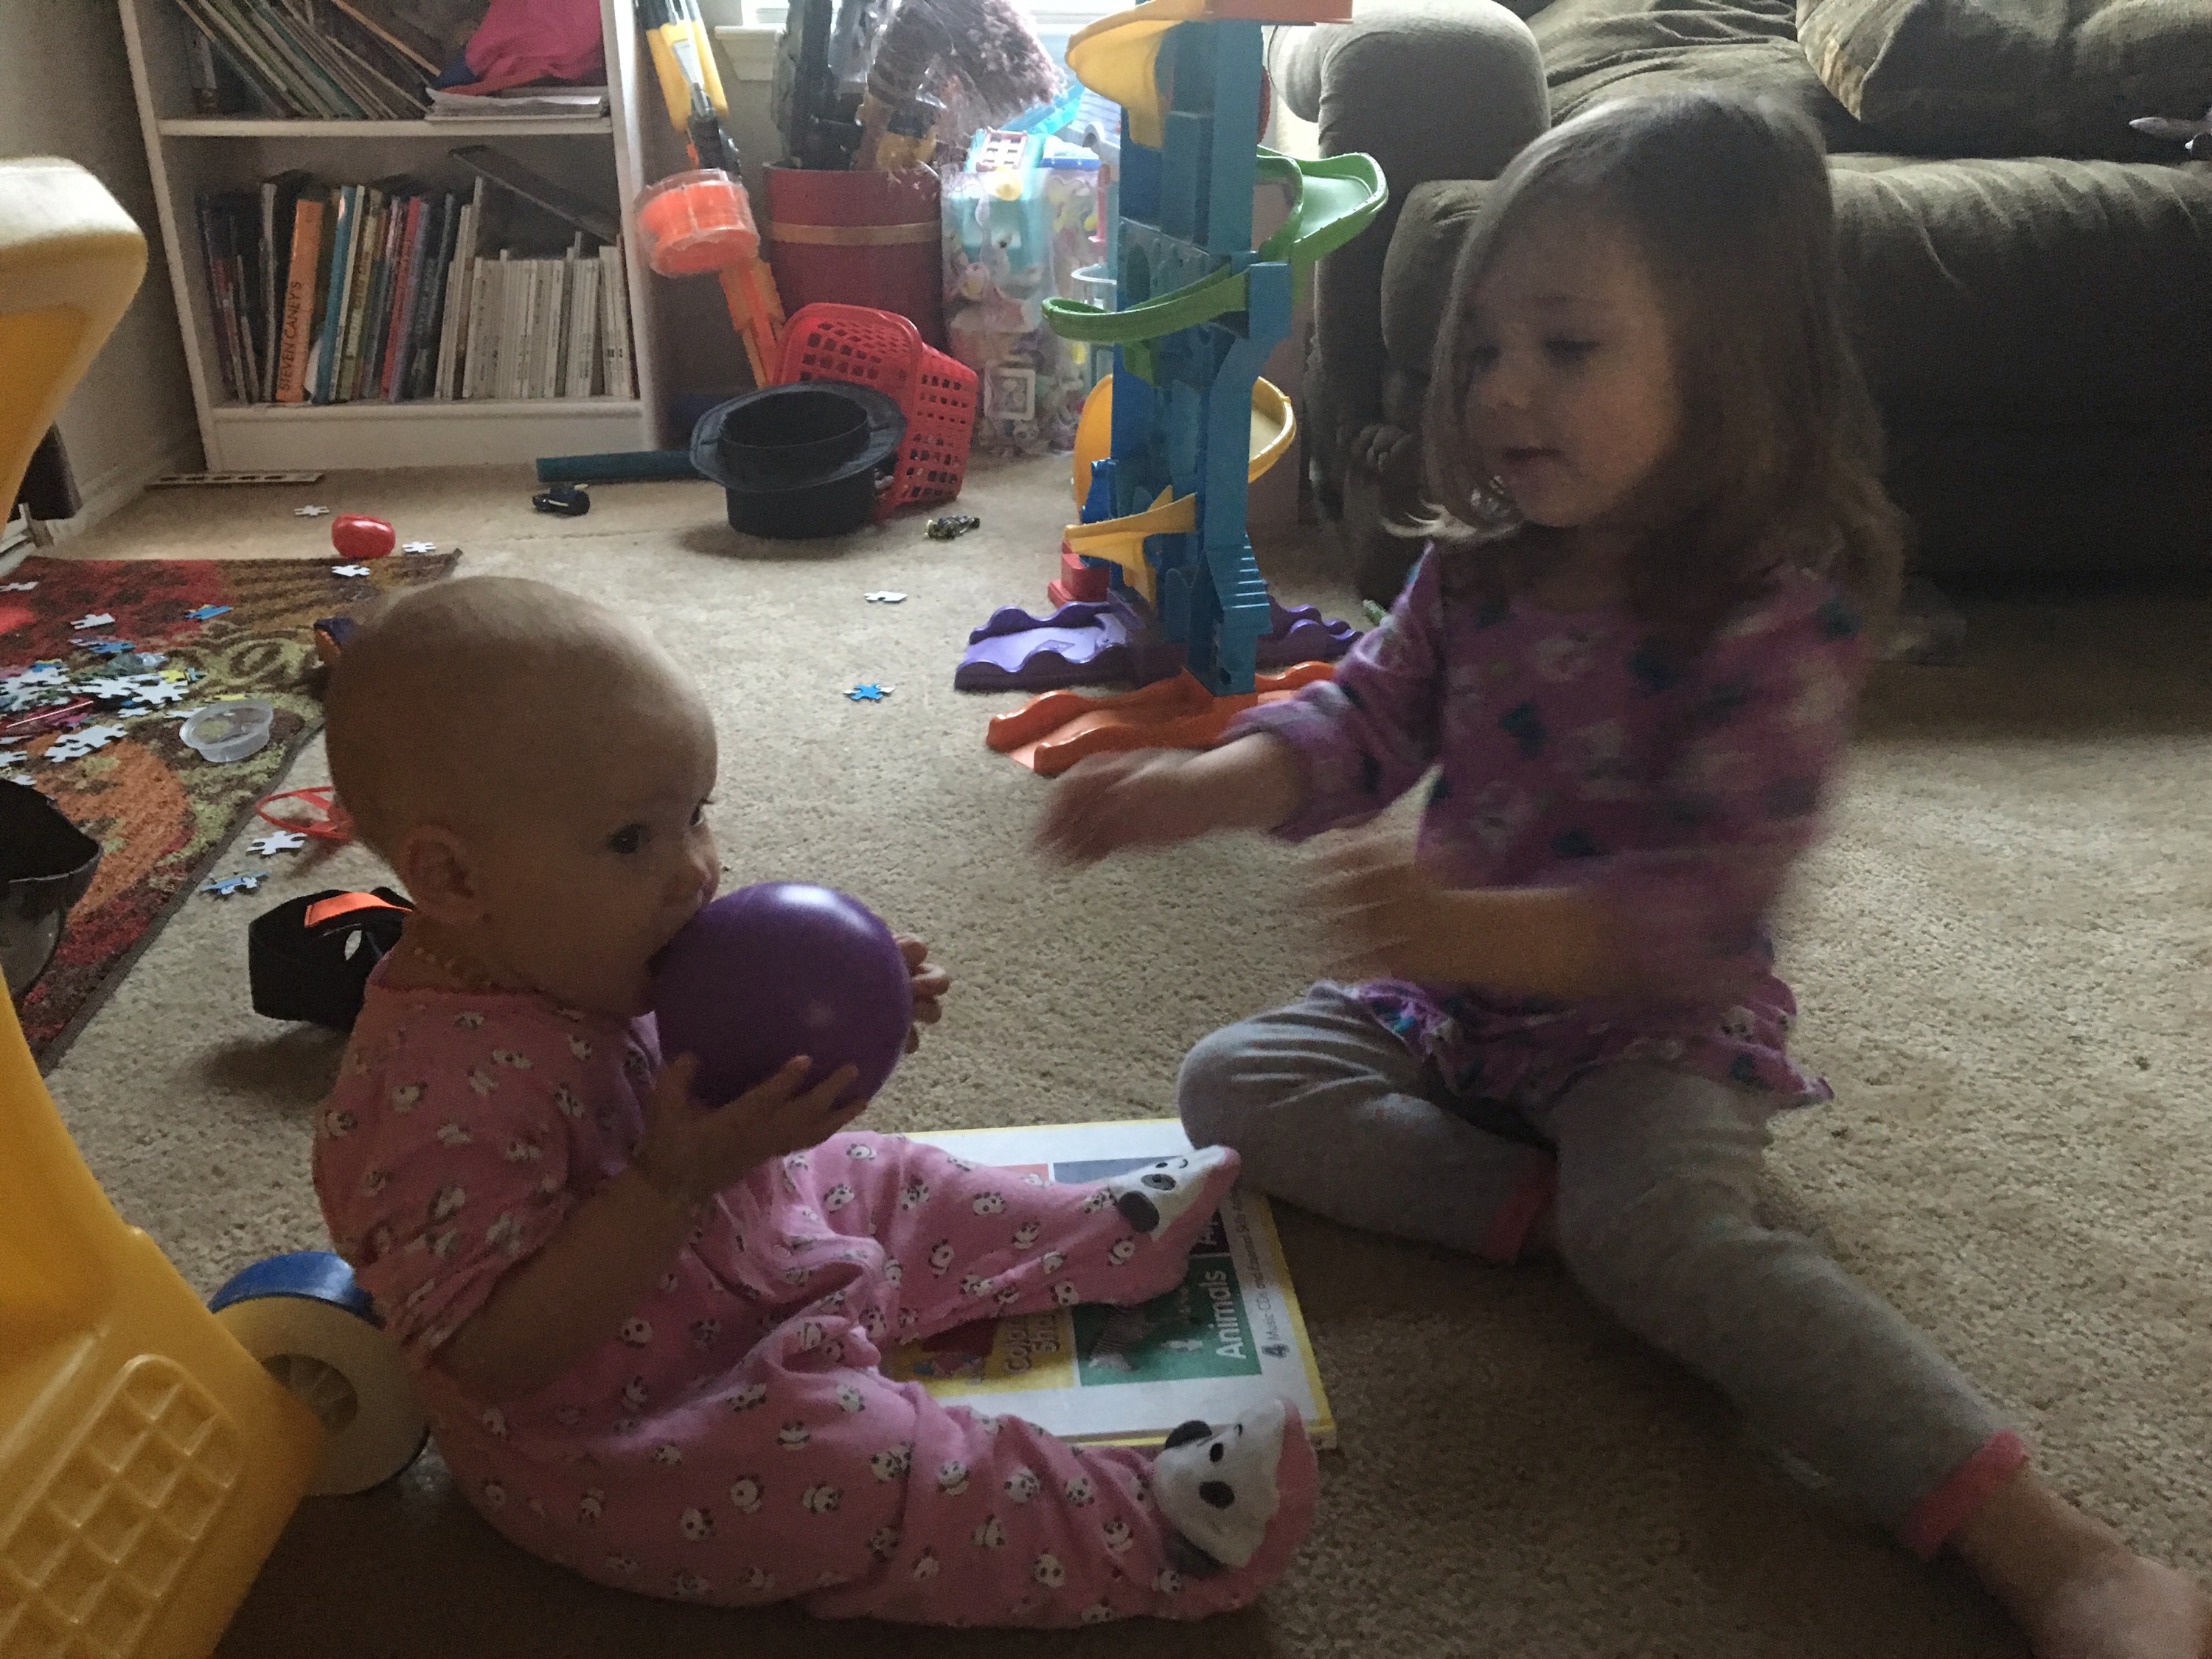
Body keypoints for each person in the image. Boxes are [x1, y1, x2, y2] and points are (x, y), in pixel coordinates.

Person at [1038, 91, 2211, 1659]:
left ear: (1730, 368)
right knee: (1230, 1082)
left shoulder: (1773, 625)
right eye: (1482, 350)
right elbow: (1363, 718)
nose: (1504, 389)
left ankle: (2050, 1545)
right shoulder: (1473, 571)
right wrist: (1194, 787)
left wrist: (1457, 921)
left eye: (1570, 347)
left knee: (1675, 1233)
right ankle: (1548, 1216)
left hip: (1651, 1036)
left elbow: (1696, 919)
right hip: (1458, 1017)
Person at [313, 575, 1315, 1626]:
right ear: (454, 880)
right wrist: (666, 1183)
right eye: (631, 840)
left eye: (696, 816)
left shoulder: (576, 944)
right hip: (643, 1417)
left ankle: (1107, 1229)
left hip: (743, 1229)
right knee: (858, 1469)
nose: (697, 872)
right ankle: (1157, 1528)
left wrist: (852, 998)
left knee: (888, 1175)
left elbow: (715, 1052)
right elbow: (491, 1355)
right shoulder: (421, 1100)